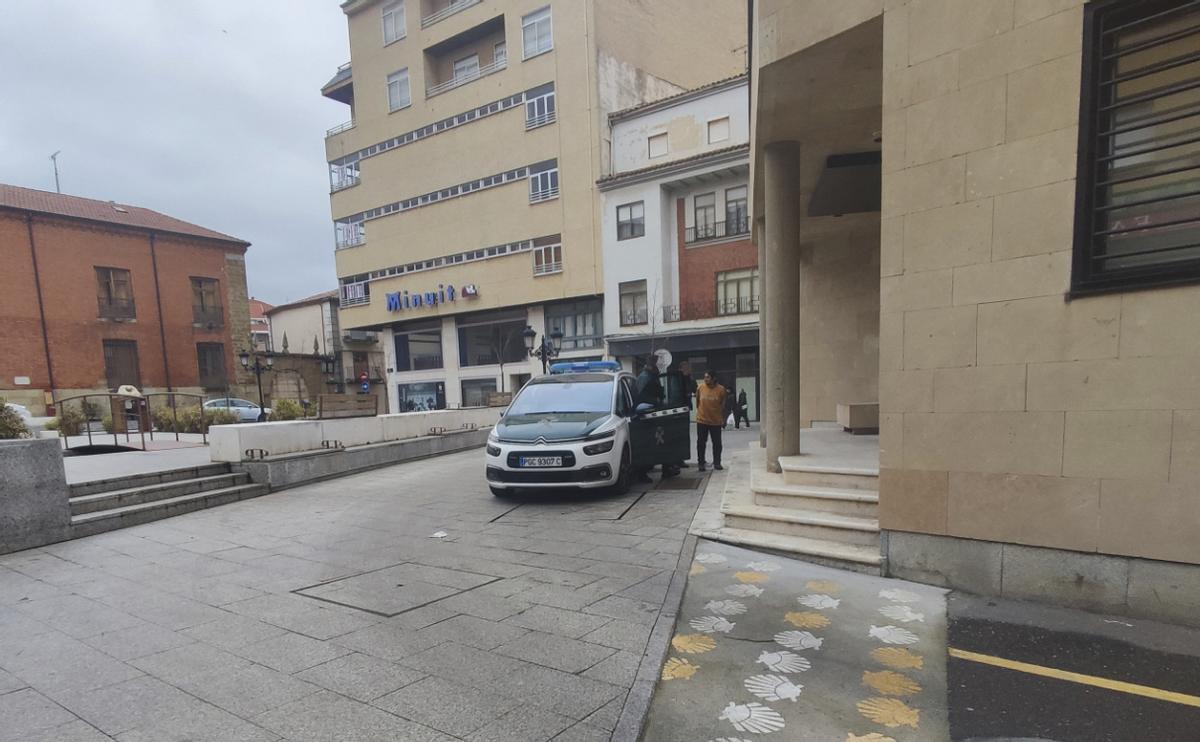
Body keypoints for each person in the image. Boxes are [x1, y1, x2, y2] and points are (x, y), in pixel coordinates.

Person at [694, 371, 727, 471]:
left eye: (708, 377)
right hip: (702, 420)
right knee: (701, 443)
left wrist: (722, 419)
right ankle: (701, 463)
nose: (705, 379)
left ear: (713, 378)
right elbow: (697, 403)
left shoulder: (721, 390)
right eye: (705, 377)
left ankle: (717, 463)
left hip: (715, 421)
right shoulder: (700, 388)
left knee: (717, 443)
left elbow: (723, 406)